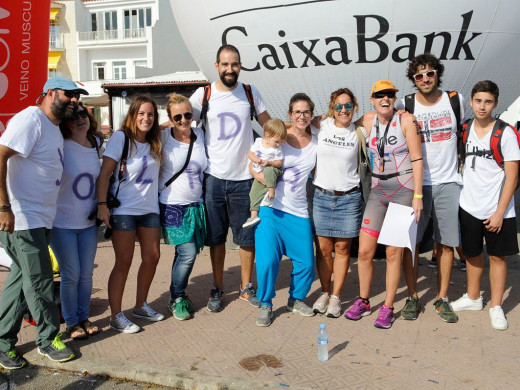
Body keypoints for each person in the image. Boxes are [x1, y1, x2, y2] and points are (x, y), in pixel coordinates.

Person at [0, 77, 86, 369]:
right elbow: (0, 156)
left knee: (20, 281)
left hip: (39, 219)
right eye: (69, 94)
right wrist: (4, 207)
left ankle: (2, 344)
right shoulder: (31, 119)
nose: (74, 100)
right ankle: (48, 341)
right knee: (39, 282)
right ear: (50, 93)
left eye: (77, 96)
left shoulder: (52, 128)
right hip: (22, 218)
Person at [189, 44, 270, 312]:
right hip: (213, 180)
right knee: (216, 239)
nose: (230, 69)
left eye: (234, 64)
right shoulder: (204, 94)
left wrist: (303, 127)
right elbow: (179, 121)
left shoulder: (249, 92)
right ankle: (217, 287)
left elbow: (269, 126)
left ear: (240, 65)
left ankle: (247, 288)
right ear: (216, 66)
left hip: (244, 180)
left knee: (247, 238)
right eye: (225, 64)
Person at [343, 80, 423, 329]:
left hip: (403, 190)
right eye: (380, 95)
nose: (385, 99)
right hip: (378, 191)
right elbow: (340, 122)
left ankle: (388, 306)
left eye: (389, 95)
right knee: (364, 251)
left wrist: (418, 196)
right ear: (372, 99)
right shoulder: (368, 120)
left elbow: (418, 159)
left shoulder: (406, 120)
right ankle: (364, 301)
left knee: (392, 253)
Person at [399, 53, 464, 323]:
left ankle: (442, 298)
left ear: (438, 74)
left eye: (430, 73)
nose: (425, 79)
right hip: (417, 184)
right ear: (414, 80)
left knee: (446, 244)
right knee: (410, 244)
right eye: (419, 75)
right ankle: (413, 296)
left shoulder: (454, 99)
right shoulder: (407, 103)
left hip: (449, 182)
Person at [450, 80, 520, 330]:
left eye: (488, 101)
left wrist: (500, 212)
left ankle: (496, 306)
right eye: (478, 101)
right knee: (472, 254)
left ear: (495, 103)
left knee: (498, 258)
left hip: (497, 208)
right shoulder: (465, 129)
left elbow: (512, 176)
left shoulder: (506, 132)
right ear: (470, 102)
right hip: (469, 204)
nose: (482, 106)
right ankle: (472, 297)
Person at [97, 94, 163, 333]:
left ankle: (140, 305)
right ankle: (116, 315)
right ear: (133, 115)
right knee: (123, 262)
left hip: (149, 209)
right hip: (123, 210)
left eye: (151, 114)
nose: (146, 118)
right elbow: (104, 174)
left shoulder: (156, 141)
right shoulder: (120, 138)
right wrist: (102, 204)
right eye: (142, 113)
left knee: (153, 256)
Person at [254, 93, 318, 327]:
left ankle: (296, 299)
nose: (302, 116)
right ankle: (266, 304)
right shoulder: (279, 136)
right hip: (270, 209)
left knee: (306, 263)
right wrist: (258, 176)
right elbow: (254, 162)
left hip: (298, 211)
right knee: (268, 260)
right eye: (297, 112)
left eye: (306, 112)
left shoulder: (316, 141)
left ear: (312, 114)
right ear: (290, 114)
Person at [311, 88, 366, 318]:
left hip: (349, 197)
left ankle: (336, 297)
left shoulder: (359, 130)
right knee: (323, 250)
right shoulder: (321, 126)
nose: (344, 110)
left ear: (355, 107)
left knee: (342, 249)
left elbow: (375, 115)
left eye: (348, 106)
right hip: (322, 195)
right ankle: (324, 291)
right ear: (332, 108)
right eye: (339, 106)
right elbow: (295, 123)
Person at [50, 102, 103, 340]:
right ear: (64, 123)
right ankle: (71, 323)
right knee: (71, 275)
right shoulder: (60, 146)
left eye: (83, 114)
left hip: (88, 223)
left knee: (86, 275)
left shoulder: (97, 145)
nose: (80, 119)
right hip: (62, 223)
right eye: (73, 117)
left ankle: (84, 317)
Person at [159, 94, 207, 321]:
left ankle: (179, 292)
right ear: (170, 118)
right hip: (172, 205)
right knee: (187, 252)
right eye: (177, 116)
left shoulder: (201, 136)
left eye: (187, 115)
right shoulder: (163, 137)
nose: (183, 120)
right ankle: (176, 297)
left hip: (196, 205)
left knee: (185, 252)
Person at [243, 118, 286, 228]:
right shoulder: (258, 142)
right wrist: (256, 159)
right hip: (259, 172)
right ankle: (253, 215)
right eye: (276, 141)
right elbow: (250, 154)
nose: (278, 144)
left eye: (280, 142)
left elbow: (279, 163)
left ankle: (271, 193)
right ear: (267, 136)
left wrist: (269, 162)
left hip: (273, 170)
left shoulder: (277, 149)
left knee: (269, 170)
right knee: (253, 193)